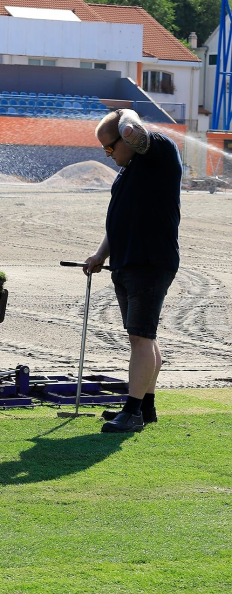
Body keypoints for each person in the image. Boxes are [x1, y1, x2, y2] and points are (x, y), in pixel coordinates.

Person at [85, 108, 181, 433]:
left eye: (109, 147)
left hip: (150, 262)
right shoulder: (127, 172)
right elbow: (119, 221)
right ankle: (146, 406)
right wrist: (100, 255)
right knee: (141, 338)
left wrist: (126, 113)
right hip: (126, 263)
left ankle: (133, 412)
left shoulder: (159, 151)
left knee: (141, 338)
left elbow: (130, 130)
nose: (108, 154)